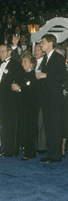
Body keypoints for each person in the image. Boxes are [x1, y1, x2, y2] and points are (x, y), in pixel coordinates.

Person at [36, 34, 67, 163]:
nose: (41, 45)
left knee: (54, 126)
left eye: (43, 42)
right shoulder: (46, 58)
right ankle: (52, 153)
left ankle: (56, 155)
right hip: (47, 98)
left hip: (54, 98)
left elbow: (63, 76)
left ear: (50, 43)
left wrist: (45, 75)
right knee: (49, 126)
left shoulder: (57, 57)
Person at [0, 44, 23, 157]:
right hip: (1, 98)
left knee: (11, 125)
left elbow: (15, 81)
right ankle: (7, 148)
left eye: (3, 51)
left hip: (11, 99)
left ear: (9, 52)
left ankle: (12, 150)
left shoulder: (16, 64)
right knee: (5, 125)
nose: (1, 54)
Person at [11, 52, 38, 160]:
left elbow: (32, 89)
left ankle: (30, 152)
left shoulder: (33, 75)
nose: (23, 63)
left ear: (31, 63)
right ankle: (24, 149)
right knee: (23, 127)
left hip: (31, 106)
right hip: (22, 104)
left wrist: (20, 88)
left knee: (30, 129)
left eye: (25, 61)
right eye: (22, 61)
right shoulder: (22, 74)